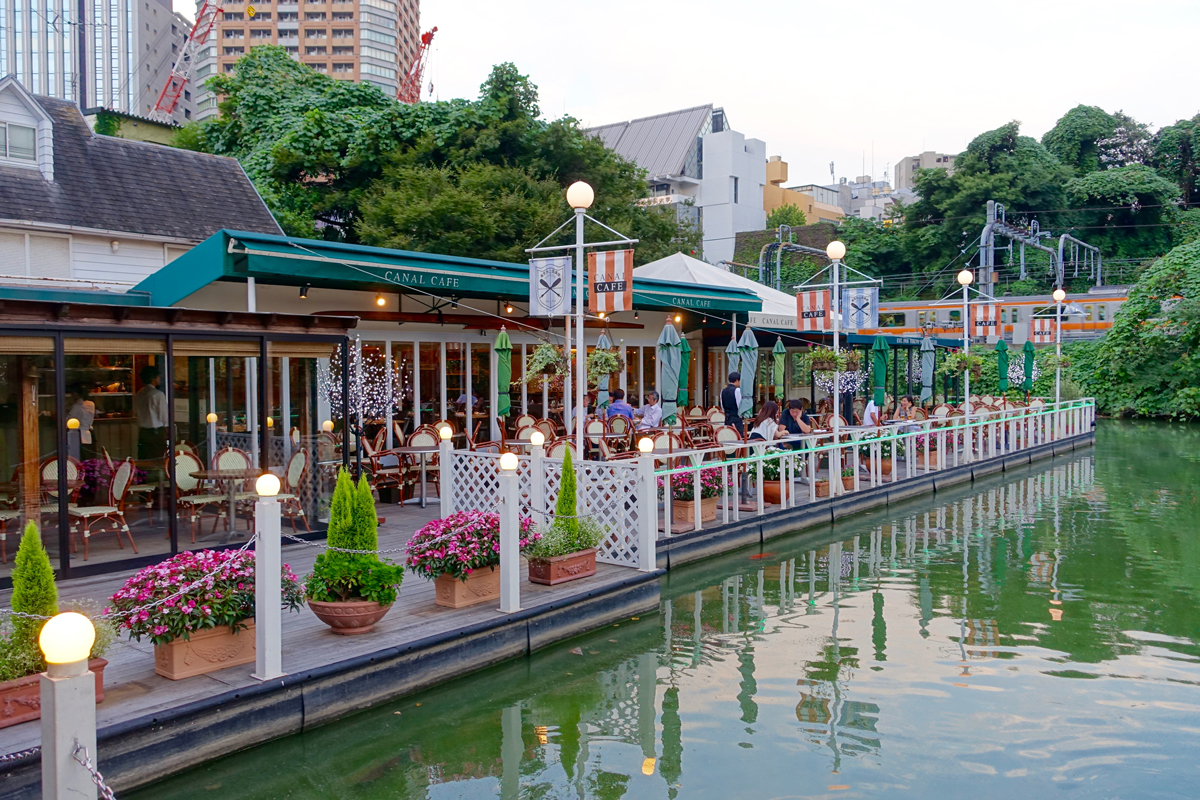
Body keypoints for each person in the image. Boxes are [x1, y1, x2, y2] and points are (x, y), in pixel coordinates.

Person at [134, 365, 169, 459]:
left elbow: (135, 412)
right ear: (153, 378)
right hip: (155, 433)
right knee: (158, 458)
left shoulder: (139, 394)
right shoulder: (158, 394)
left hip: (143, 432)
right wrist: (168, 431)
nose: (159, 378)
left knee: (144, 459)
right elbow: (164, 416)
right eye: (158, 376)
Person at [66, 383, 96, 461]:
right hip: (90, 433)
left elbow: (67, 421)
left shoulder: (76, 407)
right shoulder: (91, 404)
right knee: (89, 458)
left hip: (77, 435)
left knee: (78, 459)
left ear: (75, 394)